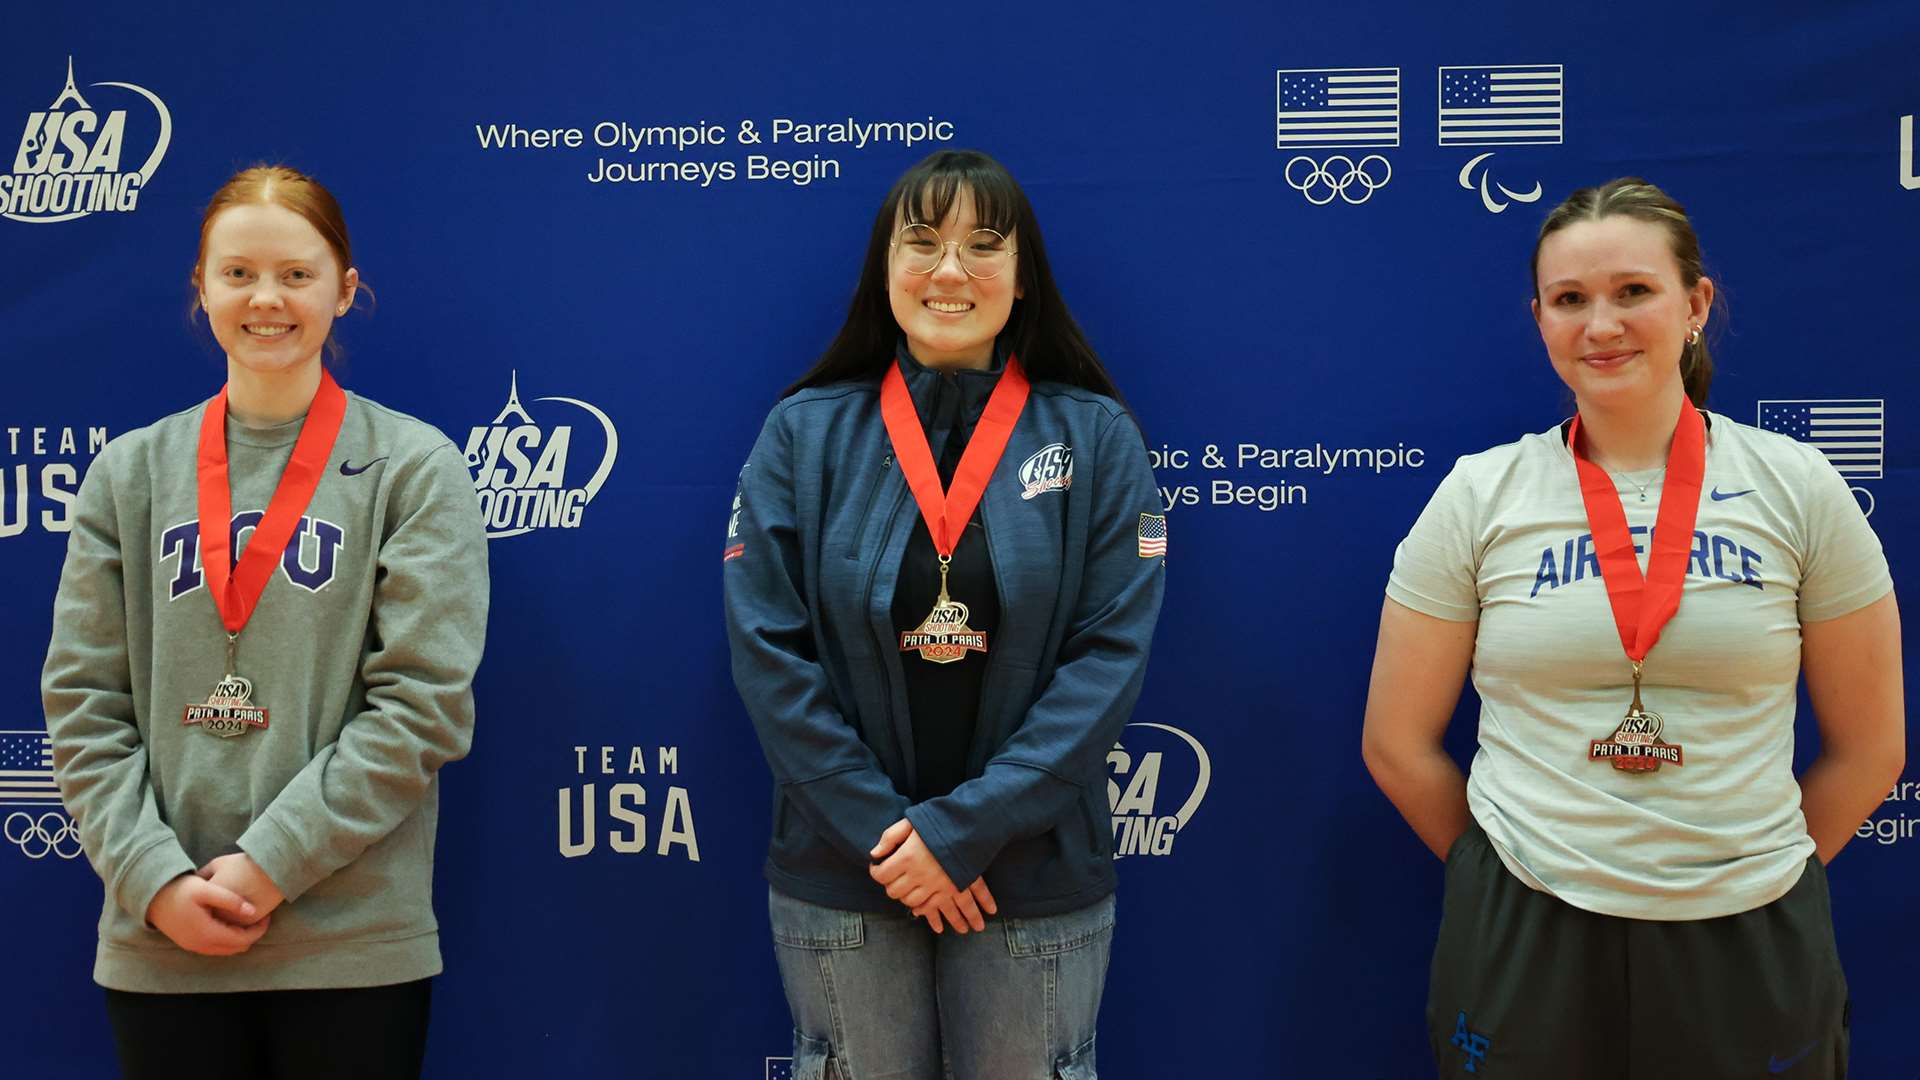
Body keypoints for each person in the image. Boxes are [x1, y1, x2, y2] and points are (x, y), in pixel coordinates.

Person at [1362, 177, 1904, 1079]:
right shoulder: (1479, 495)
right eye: (1570, 300)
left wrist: (1759, 866)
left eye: (1632, 292)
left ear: (1695, 305)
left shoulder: (1799, 487)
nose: (1600, 325)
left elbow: (1871, 747)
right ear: (1539, 319)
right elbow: (1396, 742)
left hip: (1750, 921)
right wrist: (1500, 875)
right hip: (1525, 925)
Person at [723, 148, 1165, 1079]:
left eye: (983, 245)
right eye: (921, 242)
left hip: (1033, 878)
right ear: (884, 267)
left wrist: (961, 834)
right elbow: (770, 653)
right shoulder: (802, 434)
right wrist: (893, 840)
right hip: (847, 876)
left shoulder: (1097, 438)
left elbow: (1107, 661)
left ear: (1023, 273)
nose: (951, 270)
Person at [41, 165, 489, 1080]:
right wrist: (154, 878)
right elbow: (84, 703)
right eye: (238, 273)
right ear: (200, 289)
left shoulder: (412, 467)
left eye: (296, 273)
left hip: (353, 942)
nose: (266, 299)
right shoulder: (129, 473)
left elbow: (422, 707)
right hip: (162, 935)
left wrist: (267, 864)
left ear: (345, 290)